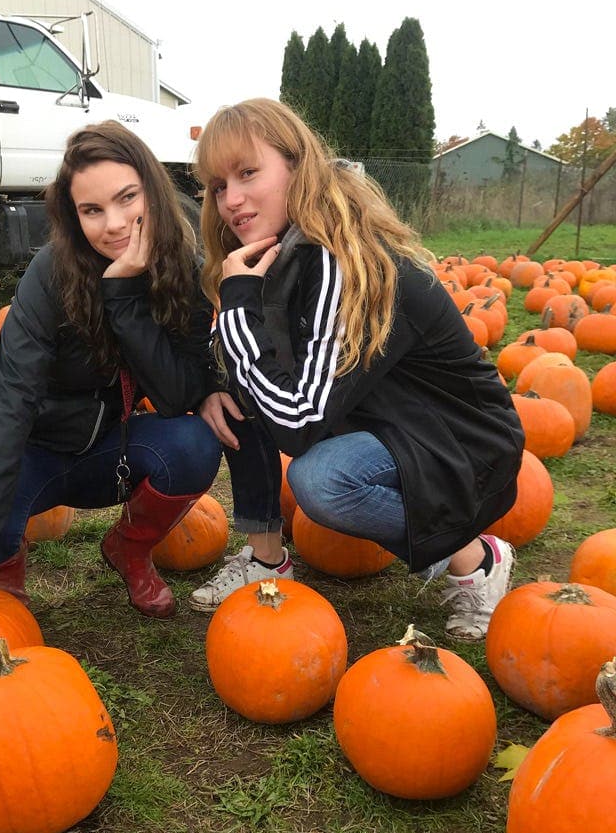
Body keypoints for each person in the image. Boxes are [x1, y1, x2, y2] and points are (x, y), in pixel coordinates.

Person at [190, 98, 524, 640]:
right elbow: (257, 375)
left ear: (298, 167)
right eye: (217, 185)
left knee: (322, 481)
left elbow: (299, 424)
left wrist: (236, 308)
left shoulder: (344, 262)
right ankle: (265, 556)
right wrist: (221, 370)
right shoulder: (286, 254)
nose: (231, 199)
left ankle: (476, 558)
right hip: (386, 423)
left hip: (461, 439)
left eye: (248, 173)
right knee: (243, 391)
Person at [0, 121, 222, 621]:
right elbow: (7, 398)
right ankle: (5, 586)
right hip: (35, 454)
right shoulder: (51, 274)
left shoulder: (180, 269)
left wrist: (124, 297)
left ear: (151, 189)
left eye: (127, 198)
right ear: (73, 215)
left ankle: (128, 550)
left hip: (112, 449)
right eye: (92, 210)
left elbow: (177, 394)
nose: (114, 223)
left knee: (195, 444)